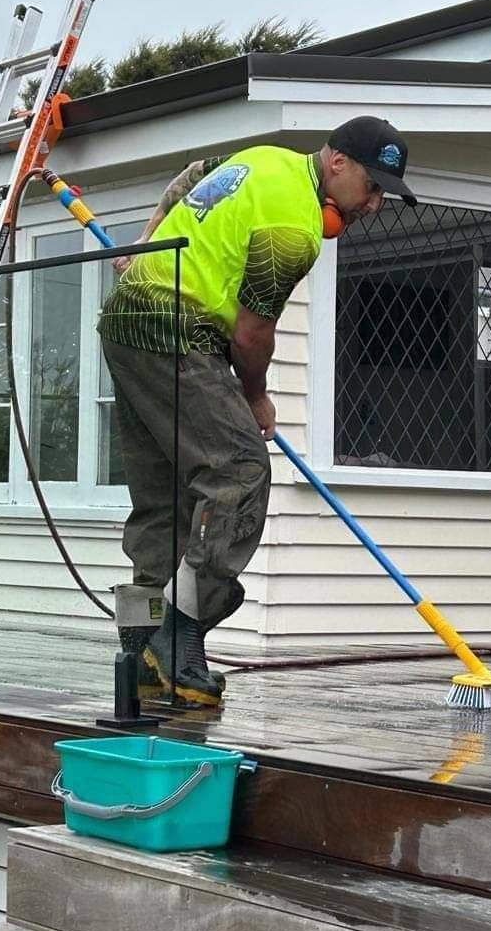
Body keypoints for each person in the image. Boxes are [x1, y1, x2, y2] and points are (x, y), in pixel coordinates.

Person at [98, 116, 416, 707]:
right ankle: (179, 635)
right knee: (240, 474)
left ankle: (137, 651)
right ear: (338, 163)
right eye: (372, 188)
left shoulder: (263, 160)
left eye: (384, 195)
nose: (374, 204)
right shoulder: (294, 229)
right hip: (177, 329)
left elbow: (187, 180)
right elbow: (251, 334)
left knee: (162, 502)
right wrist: (254, 395)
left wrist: (147, 245)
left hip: (124, 322)